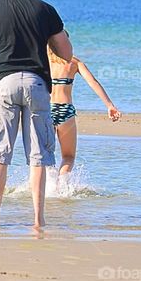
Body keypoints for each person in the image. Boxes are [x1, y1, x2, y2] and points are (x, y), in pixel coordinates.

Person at [0, 0, 72, 228]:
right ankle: (38, 219)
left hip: (4, 83)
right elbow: (65, 52)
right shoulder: (45, 9)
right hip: (37, 83)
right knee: (38, 155)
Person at [48, 45, 122, 181]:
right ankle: (60, 188)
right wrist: (109, 105)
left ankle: (47, 186)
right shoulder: (74, 62)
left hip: (46, 111)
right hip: (65, 110)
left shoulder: (41, 61)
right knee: (68, 157)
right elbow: (93, 82)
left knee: (45, 155)